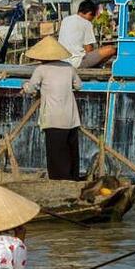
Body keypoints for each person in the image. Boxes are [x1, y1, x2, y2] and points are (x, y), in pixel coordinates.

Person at [22, 35, 82, 180]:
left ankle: (60, 182)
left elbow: (31, 89)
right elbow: (79, 86)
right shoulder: (69, 68)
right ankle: (73, 179)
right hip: (71, 118)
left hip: (53, 118)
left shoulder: (41, 69)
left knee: (56, 155)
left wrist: (24, 85)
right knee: (71, 152)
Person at [58, 0, 116, 69]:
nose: (92, 20)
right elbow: (89, 50)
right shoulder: (87, 23)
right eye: (92, 17)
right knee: (111, 49)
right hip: (76, 62)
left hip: (62, 61)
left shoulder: (65, 20)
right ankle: (95, 66)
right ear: (89, 13)